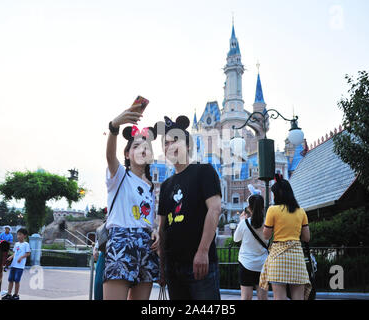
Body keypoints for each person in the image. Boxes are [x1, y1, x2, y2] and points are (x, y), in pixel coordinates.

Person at [157, 115, 222, 300]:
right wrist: (162, 267)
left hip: (199, 266)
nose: (169, 146)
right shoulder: (166, 186)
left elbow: (214, 209)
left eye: (175, 140)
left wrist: (202, 252)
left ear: (188, 145)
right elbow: (162, 227)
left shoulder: (204, 171)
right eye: (166, 143)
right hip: (172, 268)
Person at [103, 107, 160, 300]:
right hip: (122, 240)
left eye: (146, 147)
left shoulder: (151, 186)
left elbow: (147, 218)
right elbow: (110, 157)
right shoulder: (119, 176)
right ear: (127, 154)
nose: (142, 150)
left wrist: (154, 230)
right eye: (135, 146)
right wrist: (114, 127)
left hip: (146, 244)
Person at [259, 174, 311, 300]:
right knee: (298, 298)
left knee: (279, 297)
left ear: (278, 194)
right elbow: (306, 237)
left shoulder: (272, 210)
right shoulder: (301, 211)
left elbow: (266, 235)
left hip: (278, 257)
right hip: (296, 256)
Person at [234, 189, 268, 300]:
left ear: (249, 208)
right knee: (263, 297)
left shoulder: (244, 223)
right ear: (263, 207)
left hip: (245, 263)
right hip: (263, 264)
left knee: (246, 297)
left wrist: (241, 220)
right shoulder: (268, 224)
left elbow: (236, 239)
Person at [2, 228, 31, 300]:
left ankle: (16, 295)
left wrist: (21, 257)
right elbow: (15, 253)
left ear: (24, 236)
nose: (18, 236)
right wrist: (11, 257)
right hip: (13, 265)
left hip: (20, 266)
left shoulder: (26, 244)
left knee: (17, 280)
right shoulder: (16, 244)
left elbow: (28, 253)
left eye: (20, 234)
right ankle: (9, 294)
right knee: (10, 280)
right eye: (18, 234)